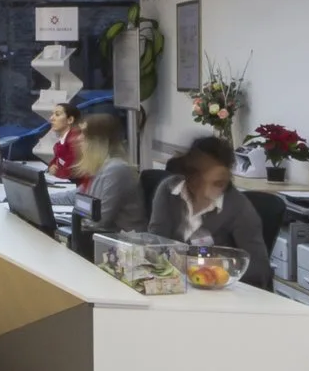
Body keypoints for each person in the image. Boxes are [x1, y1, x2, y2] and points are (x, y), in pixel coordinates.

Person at [148, 134, 270, 268]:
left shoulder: (239, 208)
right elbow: (156, 242)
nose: (212, 189)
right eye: (203, 180)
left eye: (219, 183)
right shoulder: (169, 190)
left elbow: (258, 268)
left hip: (220, 283)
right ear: (191, 175)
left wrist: (222, 267)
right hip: (173, 280)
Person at [74, 110, 142, 233]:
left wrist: (75, 221)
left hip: (121, 244)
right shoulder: (101, 167)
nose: (79, 138)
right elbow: (76, 198)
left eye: (84, 133)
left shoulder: (116, 170)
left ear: (98, 140)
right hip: (99, 235)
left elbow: (100, 220)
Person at [47, 99, 83, 187]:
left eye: (57, 114)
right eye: (52, 114)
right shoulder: (63, 141)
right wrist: (51, 167)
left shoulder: (75, 142)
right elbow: (56, 160)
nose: (51, 118)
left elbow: (70, 172)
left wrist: (55, 172)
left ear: (70, 120)